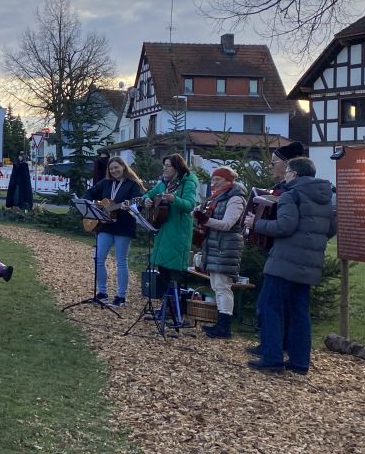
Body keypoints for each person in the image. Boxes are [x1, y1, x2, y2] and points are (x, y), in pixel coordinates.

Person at [245, 157, 336, 375]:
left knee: (269, 307)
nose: (285, 176)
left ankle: (272, 358)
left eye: (287, 172)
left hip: (284, 262)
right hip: (309, 263)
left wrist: (256, 223)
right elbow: (331, 229)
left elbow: (285, 226)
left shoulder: (291, 195)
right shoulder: (326, 197)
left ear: (294, 174)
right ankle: (299, 361)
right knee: (299, 312)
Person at [85, 157, 146, 305]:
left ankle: (121, 296)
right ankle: (102, 293)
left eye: (116, 167)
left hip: (124, 227)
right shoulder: (106, 183)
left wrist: (129, 206)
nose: (114, 171)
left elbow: (139, 204)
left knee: (121, 261)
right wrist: (91, 203)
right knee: (98, 258)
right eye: (111, 168)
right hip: (105, 226)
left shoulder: (132, 184)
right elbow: (89, 193)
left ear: (123, 167)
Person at [195, 167, 247, 339]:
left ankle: (224, 326)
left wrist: (205, 220)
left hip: (226, 246)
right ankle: (220, 323)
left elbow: (227, 224)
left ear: (228, 181)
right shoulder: (218, 197)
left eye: (218, 179)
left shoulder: (235, 198)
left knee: (223, 286)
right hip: (216, 245)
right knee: (217, 285)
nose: (214, 183)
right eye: (213, 179)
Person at [141, 154, 198, 303]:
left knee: (174, 274)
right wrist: (146, 200)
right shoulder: (162, 184)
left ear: (177, 168)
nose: (164, 169)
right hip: (163, 232)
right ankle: (166, 307)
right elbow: (147, 194)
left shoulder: (188, 183)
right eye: (164, 166)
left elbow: (190, 205)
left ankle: (173, 307)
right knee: (163, 271)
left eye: (168, 166)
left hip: (178, 233)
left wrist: (174, 199)